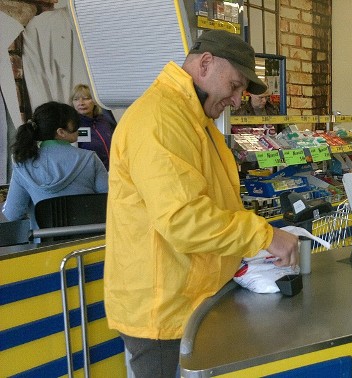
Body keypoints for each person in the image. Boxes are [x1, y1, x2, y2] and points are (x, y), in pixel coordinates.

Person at [103, 29, 299, 378]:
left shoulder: (193, 117)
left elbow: (214, 201)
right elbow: (184, 220)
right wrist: (264, 235)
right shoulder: (161, 119)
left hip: (189, 298)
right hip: (163, 309)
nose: (237, 100)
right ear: (206, 64)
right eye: (236, 85)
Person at [2, 101, 108, 228]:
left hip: (44, 243)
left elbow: (12, 214)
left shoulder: (22, 165)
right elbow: (108, 202)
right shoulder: (90, 159)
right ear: (61, 132)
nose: (78, 128)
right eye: (75, 124)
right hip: (87, 242)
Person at [70, 84, 117, 170]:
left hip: (112, 171)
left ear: (95, 101)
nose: (81, 103)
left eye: (86, 98)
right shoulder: (72, 126)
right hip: (90, 174)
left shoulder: (105, 121)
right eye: (76, 99)